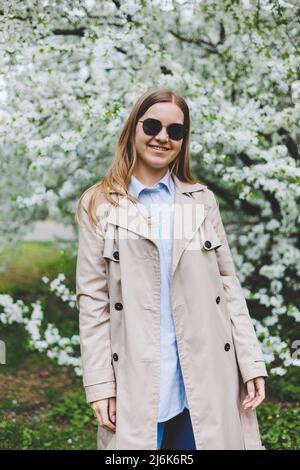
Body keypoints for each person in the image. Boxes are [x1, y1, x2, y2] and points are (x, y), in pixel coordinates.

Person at [75, 87, 268, 450]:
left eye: (175, 131)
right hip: (138, 379)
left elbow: (227, 285)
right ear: (134, 129)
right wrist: (100, 385)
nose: (162, 137)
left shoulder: (199, 200)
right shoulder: (100, 204)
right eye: (152, 126)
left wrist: (251, 362)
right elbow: (93, 303)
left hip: (207, 374)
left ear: (183, 139)